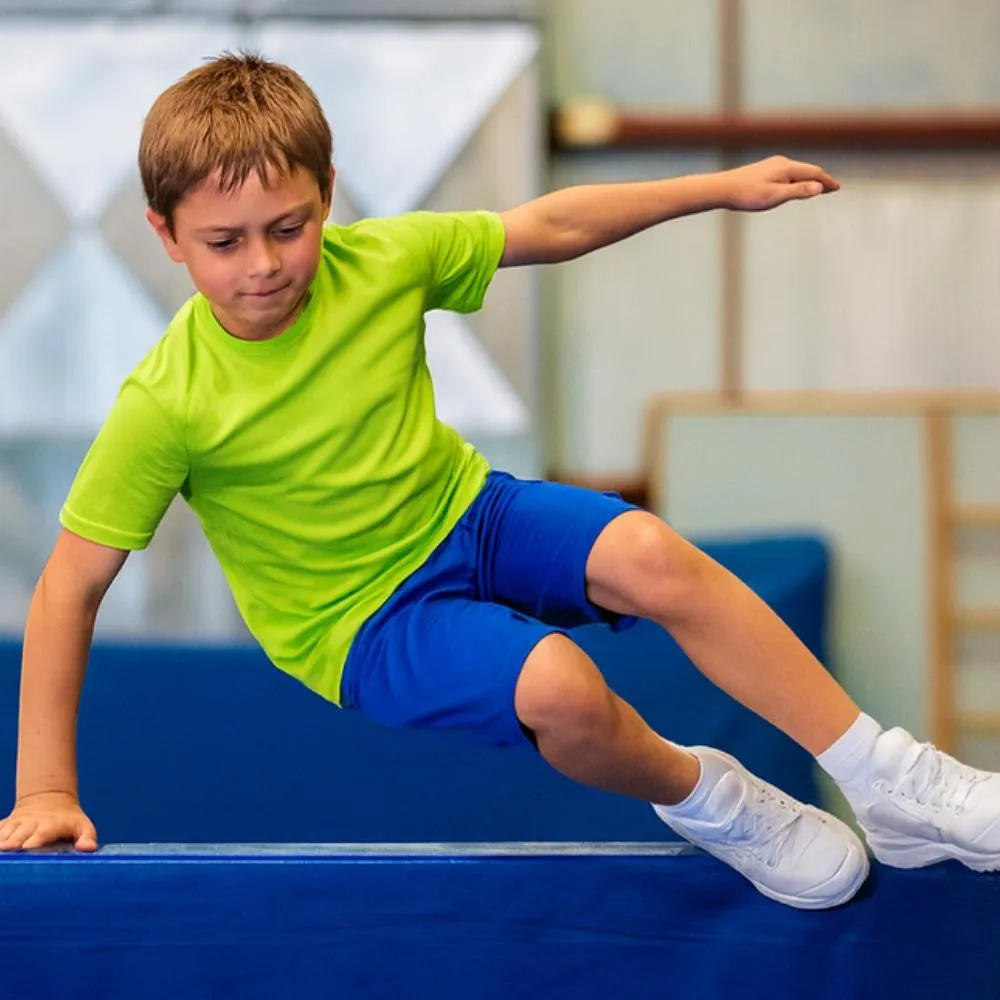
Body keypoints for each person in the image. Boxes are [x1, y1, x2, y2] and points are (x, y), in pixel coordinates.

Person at [1, 53, 998, 910]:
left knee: (649, 549)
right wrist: (45, 785)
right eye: (224, 242)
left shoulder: (382, 260)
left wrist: (713, 187)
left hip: (471, 515)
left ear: (329, 192)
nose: (263, 265)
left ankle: (887, 779)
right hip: (361, 620)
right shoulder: (167, 402)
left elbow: (552, 223)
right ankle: (711, 797)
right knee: (561, 687)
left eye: (289, 227)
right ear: (166, 234)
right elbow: (68, 586)